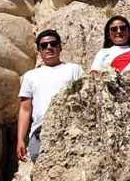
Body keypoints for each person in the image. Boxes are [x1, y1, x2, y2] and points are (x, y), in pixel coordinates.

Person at [16, 29, 82, 162]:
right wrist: (20, 140)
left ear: (60, 47)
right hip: (40, 131)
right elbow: (25, 109)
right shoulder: (30, 76)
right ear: (39, 51)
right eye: (44, 45)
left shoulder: (75, 69)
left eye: (53, 44)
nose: (49, 48)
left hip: (70, 128)